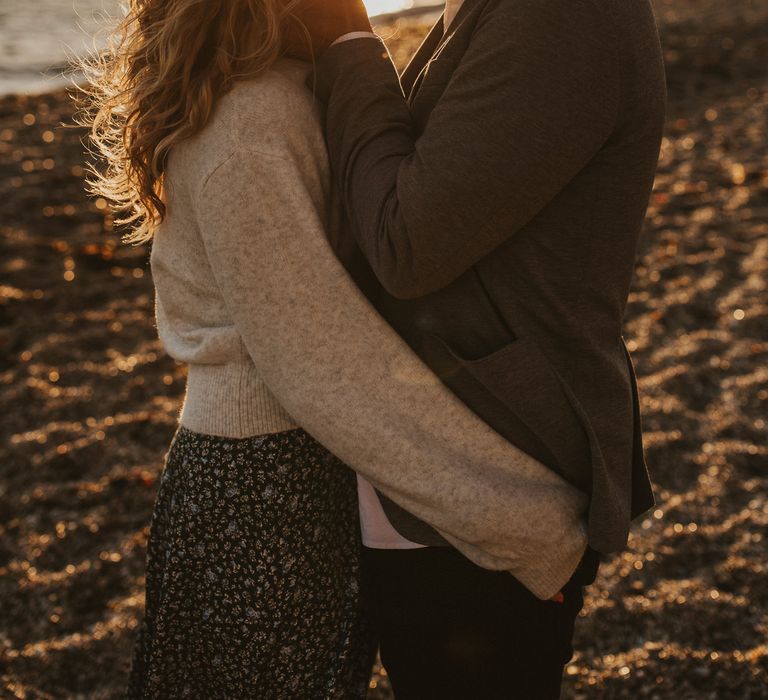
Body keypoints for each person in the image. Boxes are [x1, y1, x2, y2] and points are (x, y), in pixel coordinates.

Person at [80, 0, 590, 697]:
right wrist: (525, 525)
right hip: (263, 488)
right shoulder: (252, 121)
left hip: (269, 471)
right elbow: (327, 365)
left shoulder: (269, 92)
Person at [288, 0, 667, 696]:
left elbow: (406, 242)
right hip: (445, 461)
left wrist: (348, 38)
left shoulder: (567, 18)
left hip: (496, 477)